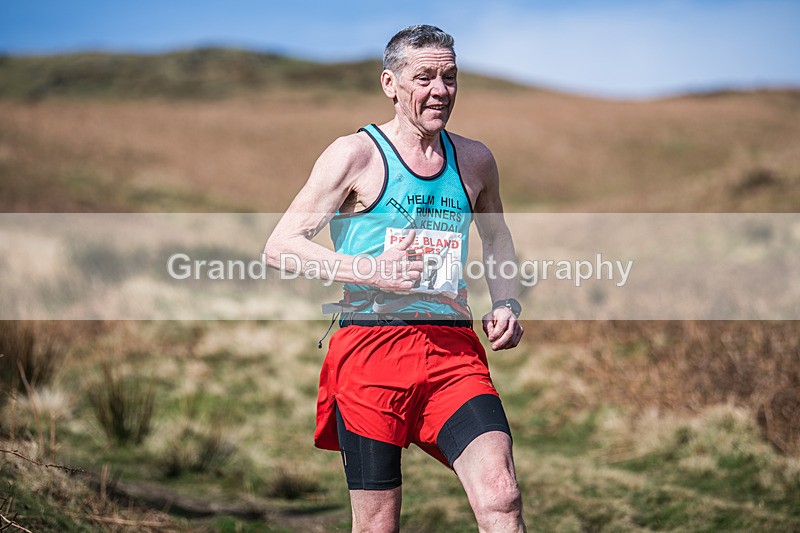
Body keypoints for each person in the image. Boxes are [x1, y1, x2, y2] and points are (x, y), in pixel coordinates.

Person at [264, 24, 525, 533]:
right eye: (423, 77)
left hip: (453, 351)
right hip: (370, 352)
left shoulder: (475, 160)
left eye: (450, 77)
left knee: (502, 495)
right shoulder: (354, 154)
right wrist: (371, 269)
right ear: (390, 83)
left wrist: (508, 302)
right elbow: (280, 246)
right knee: (378, 524)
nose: (440, 91)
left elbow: (496, 237)